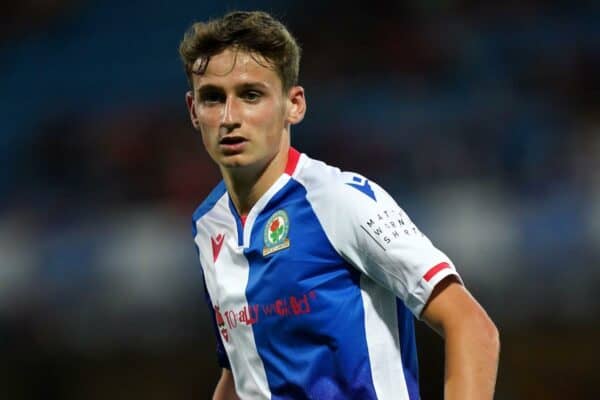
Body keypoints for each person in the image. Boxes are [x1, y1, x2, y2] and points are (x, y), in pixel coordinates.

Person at [180, 10, 499, 400]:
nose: (230, 117)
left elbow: (471, 326)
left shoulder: (339, 199)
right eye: (213, 98)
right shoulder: (209, 225)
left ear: (293, 104)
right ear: (194, 110)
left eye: (251, 95)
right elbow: (242, 371)